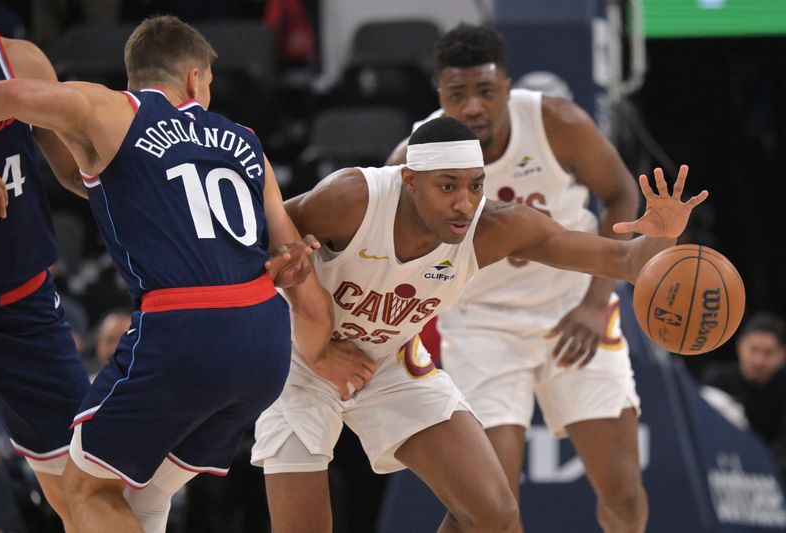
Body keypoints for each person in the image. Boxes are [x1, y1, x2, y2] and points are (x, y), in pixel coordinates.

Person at [0, 15, 359, 532]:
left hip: (182, 332)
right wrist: (319, 352)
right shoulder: (245, 141)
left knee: (82, 489)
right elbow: (294, 264)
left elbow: (3, 99)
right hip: (263, 344)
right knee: (142, 492)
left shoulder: (105, 108)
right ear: (194, 79)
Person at [251, 115, 707, 533]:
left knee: (494, 515)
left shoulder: (495, 227)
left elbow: (623, 261)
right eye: (447, 187)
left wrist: (660, 239)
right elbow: (254, 240)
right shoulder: (353, 199)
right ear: (409, 181)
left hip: (387, 363)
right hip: (297, 361)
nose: (464, 204)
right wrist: (314, 345)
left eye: (475, 186)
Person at [386, 24, 649, 531]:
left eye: (485, 91)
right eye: (457, 94)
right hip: (482, 327)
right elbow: (383, 247)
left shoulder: (558, 123)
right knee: (488, 509)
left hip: (575, 313)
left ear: (508, 87)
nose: (473, 107)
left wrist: (596, 304)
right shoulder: (413, 160)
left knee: (625, 495)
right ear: (440, 96)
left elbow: (620, 194)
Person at [0, 30, 93, 530]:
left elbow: (76, 170)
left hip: (21, 308)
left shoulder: (19, 60)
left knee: (86, 481)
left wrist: (143, 190)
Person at [704, 312, 786, 481]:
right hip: (728, 472)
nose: (759, 361)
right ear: (740, 346)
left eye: (768, 353)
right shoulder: (718, 381)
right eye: (753, 350)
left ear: (782, 355)